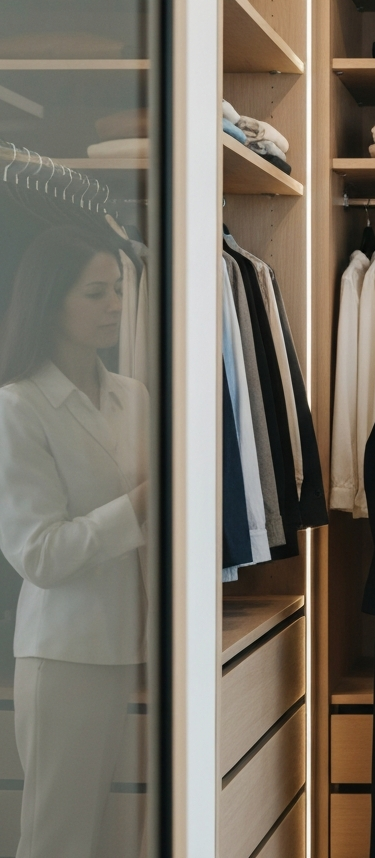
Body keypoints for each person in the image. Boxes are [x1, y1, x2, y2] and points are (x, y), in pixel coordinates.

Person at [0, 224, 149, 858]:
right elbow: (38, 553)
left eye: (118, 289)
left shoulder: (134, 397)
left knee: (127, 836)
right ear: (51, 300)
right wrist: (140, 506)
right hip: (67, 656)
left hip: (145, 648)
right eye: (96, 293)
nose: (116, 305)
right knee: (59, 838)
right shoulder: (18, 408)